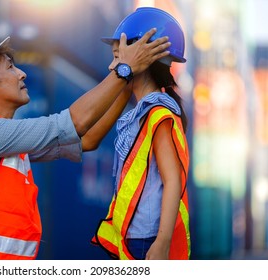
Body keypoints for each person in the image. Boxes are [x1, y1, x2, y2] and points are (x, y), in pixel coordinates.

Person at [0, 27, 171, 259]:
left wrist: (126, 86)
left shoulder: (7, 144)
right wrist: (125, 69)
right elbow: (74, 123)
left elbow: (87, 139)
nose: (22, 73)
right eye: (10, 67)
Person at [91, 7, 190, 260]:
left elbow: (172, 181)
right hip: (133, 236)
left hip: (146, 241)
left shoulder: (157, 113)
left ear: (142, 59)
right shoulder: (141, 112)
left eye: (116, 57)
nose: (111, 65)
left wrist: (162, 243)